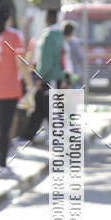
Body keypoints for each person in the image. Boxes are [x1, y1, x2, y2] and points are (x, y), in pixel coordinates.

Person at [0, 0, 33, 178]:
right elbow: (21, 64)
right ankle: (1, 165)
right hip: (9, 89)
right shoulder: (14, 36)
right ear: (9, 17)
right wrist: (30, 85)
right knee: (4, 127)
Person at [22, 8, 65, 143]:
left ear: (46, 19)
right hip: (57, 76)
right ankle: (28, 136)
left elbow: (45, 61)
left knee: (48, 109)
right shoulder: (59, 35)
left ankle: (57, 137)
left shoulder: (48, 37)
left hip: (49, 78)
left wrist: (39, 77)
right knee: (43, 108)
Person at [62, 21, 84, 87]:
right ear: (72, 32)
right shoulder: (75, 42)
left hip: (62, 74)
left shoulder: (60, 41)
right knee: (75, 91)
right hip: (75, 73)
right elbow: (81, 58)